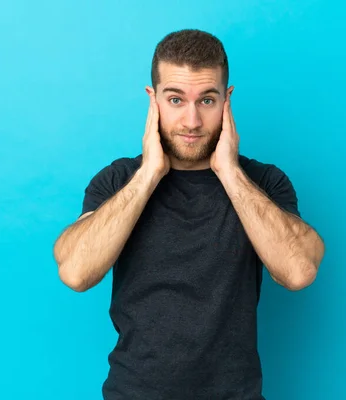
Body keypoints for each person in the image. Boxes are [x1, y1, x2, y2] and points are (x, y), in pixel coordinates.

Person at [53, 29, 325, 400]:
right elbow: (75, 272)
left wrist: (229, 172)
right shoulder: (118, 180)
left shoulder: (264, 182)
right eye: (176, 99)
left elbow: (298, 272)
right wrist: (149, 173)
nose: (192, 121)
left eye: (207, 100)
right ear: (153, 101)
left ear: (227, 101)